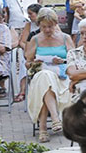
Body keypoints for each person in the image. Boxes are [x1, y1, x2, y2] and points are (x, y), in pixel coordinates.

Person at [26, 10, 74, 142]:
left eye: (50, 26)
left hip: (62, 77)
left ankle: (43, 128)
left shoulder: (65, 38)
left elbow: (74, 60)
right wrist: (34, 63)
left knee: (46, 84)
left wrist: (62, 61)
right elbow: (27, 63)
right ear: (39, 26)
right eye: (43, 27)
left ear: (56, 24)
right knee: (45, 76)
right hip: (41, 74)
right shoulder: (35, 39)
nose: (47, 30)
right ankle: (55, 118)